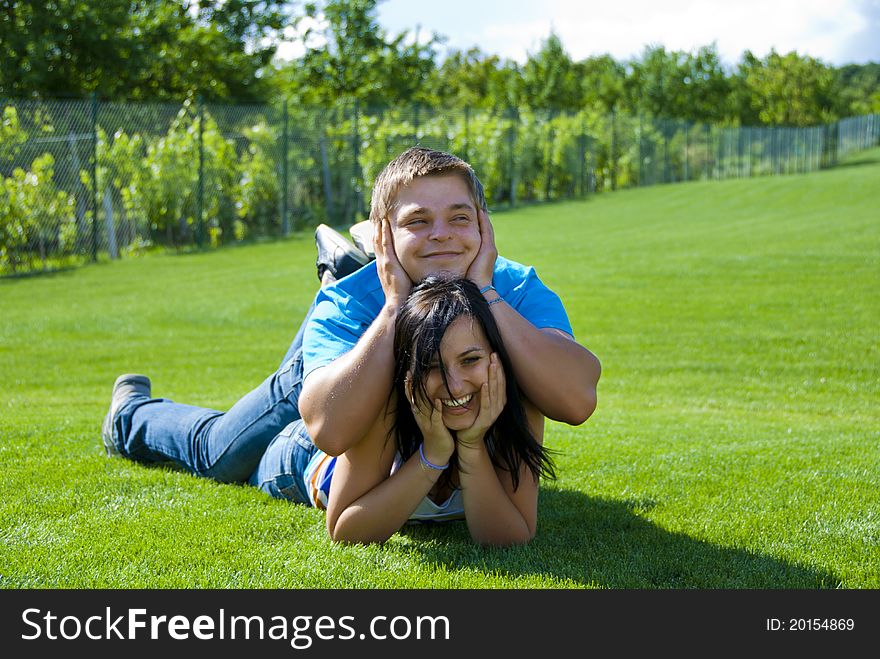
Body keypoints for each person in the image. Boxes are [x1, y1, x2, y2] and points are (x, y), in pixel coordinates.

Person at [102, 146, 601, 542]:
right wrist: (392, 309)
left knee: (514, 361)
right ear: (385, 235)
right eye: (417, 222)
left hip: (393, 385)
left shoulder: (513, 287)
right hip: (340, 367)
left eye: (459, 218)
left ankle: (345, 264)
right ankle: (128, 416)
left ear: (484, 223)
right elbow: (330, 432)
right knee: (219, 453)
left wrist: (487, 294)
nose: (443, 236)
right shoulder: (353, 302)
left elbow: (575, 400)